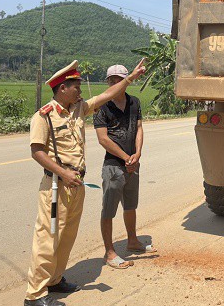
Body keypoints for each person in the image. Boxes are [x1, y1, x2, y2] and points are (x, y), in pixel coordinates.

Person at [25, 59, 146, 306]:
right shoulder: (43, 117)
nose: (80, 91)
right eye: (76, 86)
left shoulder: (78, 109)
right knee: (48, 238)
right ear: (62, 88)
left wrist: (131, 77)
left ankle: (55, 280)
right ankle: (35, 295)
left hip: (75, 183)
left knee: (67, 236)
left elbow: (108, 94)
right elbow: (37, 151)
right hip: (57, 185)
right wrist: (63, 173)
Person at [94, 64, 156, 270]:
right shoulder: (101, 107)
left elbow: (139, 128)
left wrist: (137, 154)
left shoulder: (134, 103)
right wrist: (126, 158)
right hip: (113, 166)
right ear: (107, 82)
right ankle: (109, 251)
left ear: (125, 81)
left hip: (133, 163)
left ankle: (132, 241)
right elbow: (103, 139)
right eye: (111, 80)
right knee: (108, 210)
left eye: (118, 79)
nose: (115, 83)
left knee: (131, 205)